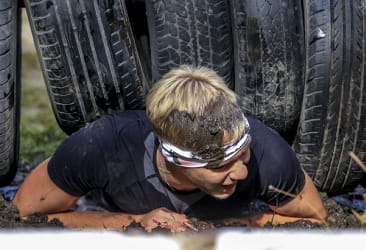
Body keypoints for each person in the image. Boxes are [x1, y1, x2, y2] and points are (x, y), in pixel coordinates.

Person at [13, 65, 327, 232]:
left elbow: (317, 221)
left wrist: (212, 227)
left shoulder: (268, 155)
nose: (242, 171)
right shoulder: (102, 146)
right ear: (176, 158)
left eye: (241, 153)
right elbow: (22, 216)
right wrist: (132, 224)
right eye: (220, 166)